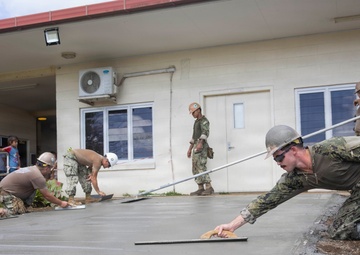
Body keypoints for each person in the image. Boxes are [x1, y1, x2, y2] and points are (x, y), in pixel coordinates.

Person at [215, 125, 360, 240]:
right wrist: (232, 226)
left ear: (293, 150)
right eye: (274, 159)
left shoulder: (332, 148)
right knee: (340, 231)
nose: (277, 163)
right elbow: (266, 201)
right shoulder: (295, 179)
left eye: (278, 158)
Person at [0, 152, 69, 217]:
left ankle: (24, 206)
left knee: (34, 189)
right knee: (10, 213)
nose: (50, 171)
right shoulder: (38, 176)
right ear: (46, 168)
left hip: (6, 190)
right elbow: (47, 196)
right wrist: (61, 203)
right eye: (50, 169)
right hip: (4, 192)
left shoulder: (32, 169)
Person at [187, 102, 214, 196]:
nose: (192, 115)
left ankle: (209, 187)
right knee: (195, 167)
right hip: (195, 146)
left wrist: (200, 143)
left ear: (198, 110)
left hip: (201, 146)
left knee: (201, 166)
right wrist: (190, 149)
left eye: (193, 112)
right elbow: (194, 136)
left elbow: (205, 132)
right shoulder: (196, 122)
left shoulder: (204, 121)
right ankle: (200, 187)